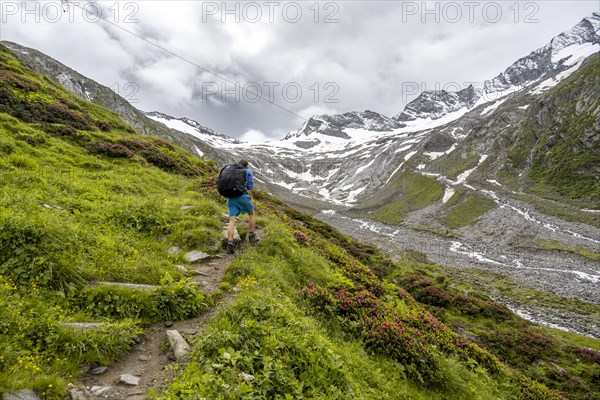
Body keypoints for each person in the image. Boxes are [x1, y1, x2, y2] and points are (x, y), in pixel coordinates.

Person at [226, 159, 259, 254]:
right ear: (246, 165)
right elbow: (250, 185)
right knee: (251, 214)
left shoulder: (232, 170)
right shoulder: (247, 171)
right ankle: (252, 236)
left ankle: (230, 244)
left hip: (230, 198)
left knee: (232, 220)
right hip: (242, 196)